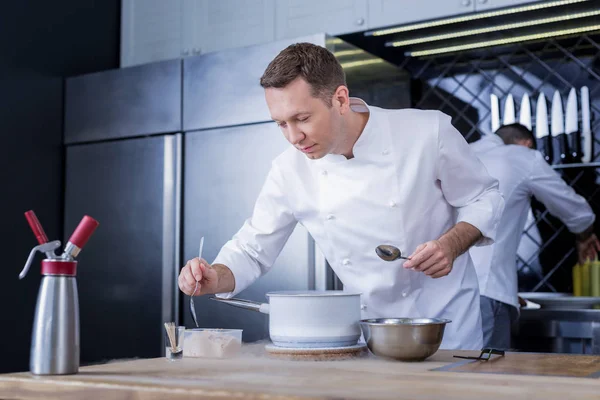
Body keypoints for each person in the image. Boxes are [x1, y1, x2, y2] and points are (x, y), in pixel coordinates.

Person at [178, 42, 504, 350]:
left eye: (302, 118)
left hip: (446, 333)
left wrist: (451, 244)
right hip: (365, 338)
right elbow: (252, 249)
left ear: (341, 99)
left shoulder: (426, 132)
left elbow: (483, 197)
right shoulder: (288, 170)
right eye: (281, 124)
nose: (294, 137)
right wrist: (214, 276)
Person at [470, 123, 599, 350]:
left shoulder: (462, 151)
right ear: (526, 143)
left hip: (444, 292)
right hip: (487, 292)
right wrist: (584, 235)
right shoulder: (522, 156)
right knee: (486, 377)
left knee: (450, 376)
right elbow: (574, 209)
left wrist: (508, 290)